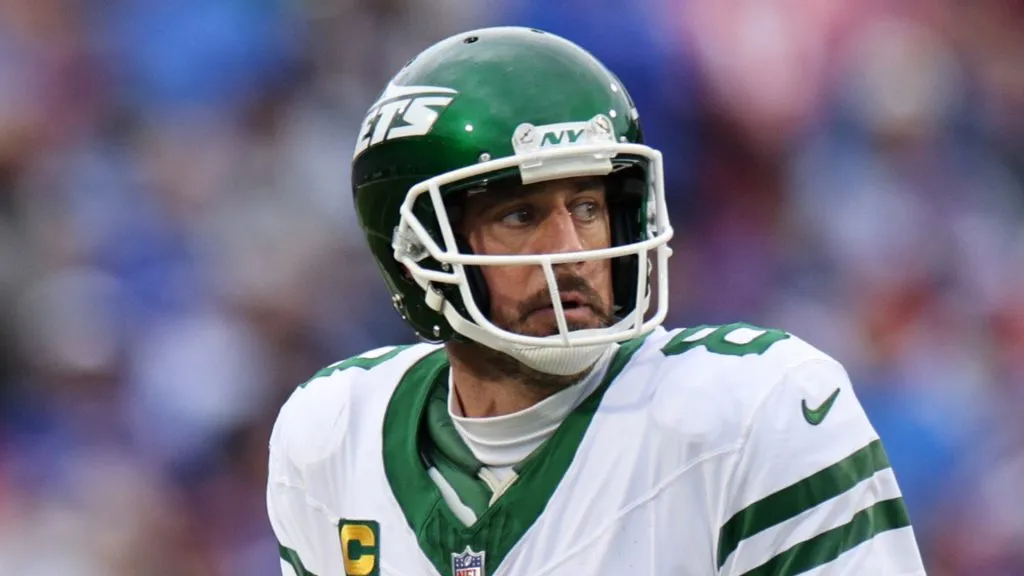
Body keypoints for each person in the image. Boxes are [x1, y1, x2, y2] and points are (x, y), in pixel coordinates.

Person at [267, 26, 927, 576]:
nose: (573, 249)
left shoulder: (753, 409)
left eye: (587, 206)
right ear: (419, 251)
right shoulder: (330, 437)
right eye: (522, 215)